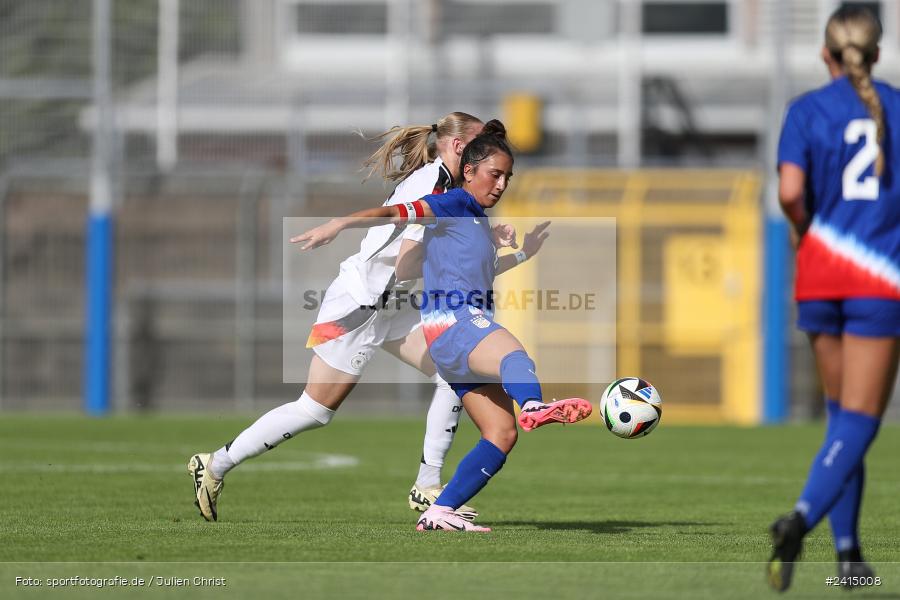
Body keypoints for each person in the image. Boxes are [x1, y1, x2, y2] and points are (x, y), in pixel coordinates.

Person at [293, 120, 592, 532]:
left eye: (508, 176)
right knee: (514, 356)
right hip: (453, 323)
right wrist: (339, 223)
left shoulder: (473, 219)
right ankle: (535, 406)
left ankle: (439, 511)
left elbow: (481, 271)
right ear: (468, 171)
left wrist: (523, 254)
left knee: (501, 435)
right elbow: (394, 214)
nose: (502, 184)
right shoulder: (450, 203)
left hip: (453, 332)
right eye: (495, 174)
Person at [187, 112, 488, 522]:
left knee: (456, 372)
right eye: (479, 144)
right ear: (457, 147)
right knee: (315, 411)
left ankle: (426, 485)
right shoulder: (434, 184)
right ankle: (215, 464)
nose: (487, 154)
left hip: (392, 306)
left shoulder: (447, 184)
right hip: (359, 307)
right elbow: (405, 265)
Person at [767, 6, 900, 591]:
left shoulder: (805, 110)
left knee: (842, 418)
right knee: (862, 420)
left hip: (819, 273)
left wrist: (805, 225)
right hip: (879, 279)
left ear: (826, 53)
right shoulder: (896, 108)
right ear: (876, 51)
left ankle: (849, 558)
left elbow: (791, 192)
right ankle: (797, 520)